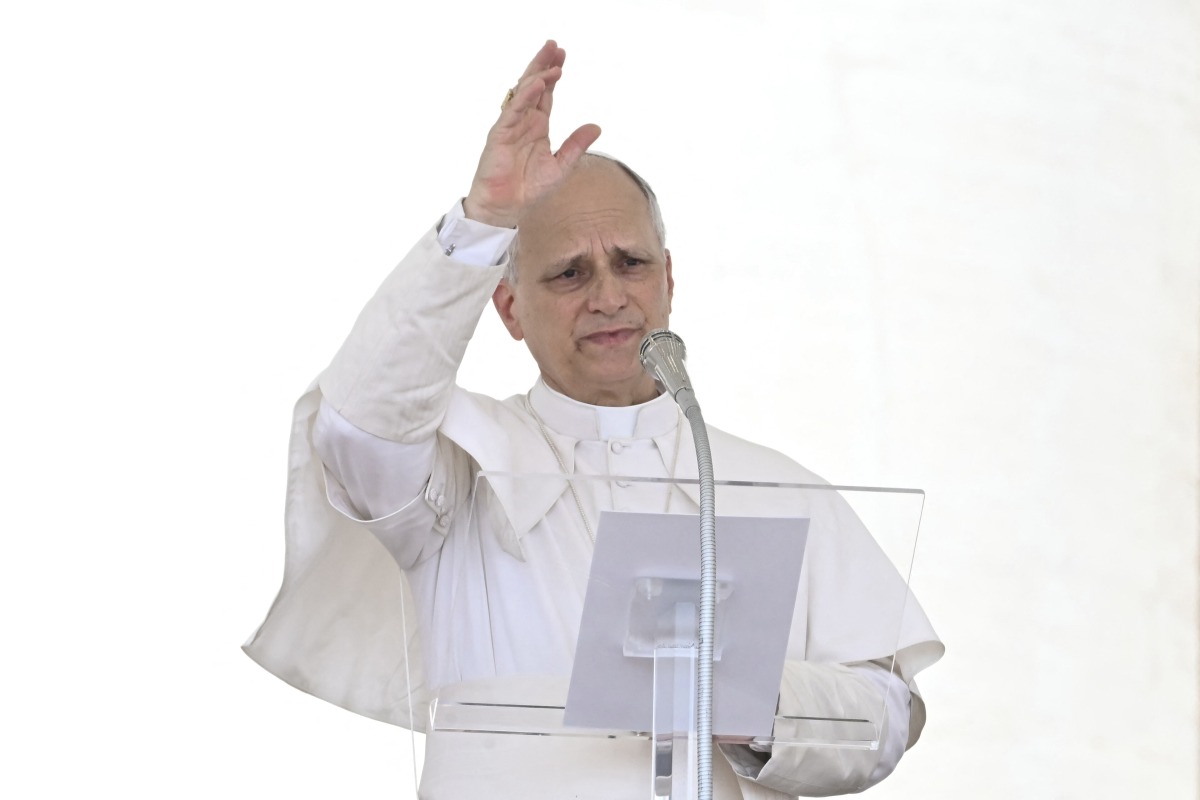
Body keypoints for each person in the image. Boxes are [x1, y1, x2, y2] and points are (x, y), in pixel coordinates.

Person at [245, 40, 943, 799]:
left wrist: (756, 705)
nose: (608, 296)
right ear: (511, 309)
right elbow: (359, 424)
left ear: (668, 280)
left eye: (630, 263)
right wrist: (484, 221)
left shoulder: (771, 485)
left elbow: (887, 709)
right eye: (569, 272)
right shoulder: (459, 473)